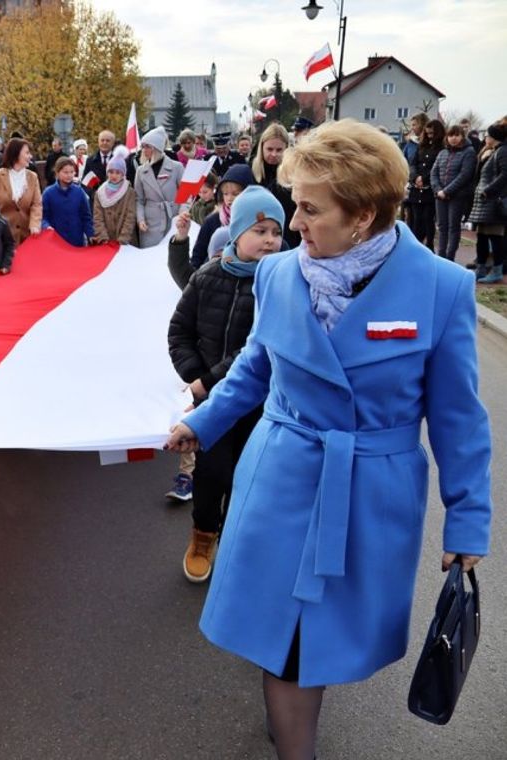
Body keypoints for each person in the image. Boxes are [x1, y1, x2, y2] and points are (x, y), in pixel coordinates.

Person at [165, 119, 492, 760]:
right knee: (284, 646)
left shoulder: (441, 288)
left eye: (310, 209)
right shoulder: (278, 275)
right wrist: (199, 422)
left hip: (371, 492)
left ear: (364, 215)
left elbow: (458, 417)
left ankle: (294, 710)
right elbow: (254, 369)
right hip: (281, 477)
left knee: (322, 640)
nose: (293, 225)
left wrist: (468, 522)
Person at [167, 186, 284, 583]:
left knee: (249, 475)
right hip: (212, 404)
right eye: (261, 230)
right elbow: (179, 331)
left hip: (259, 404)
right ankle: (203, 536)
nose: (270, 240)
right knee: (211, 473)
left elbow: (261, 348)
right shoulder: (207, 276)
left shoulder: (281, 284)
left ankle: (237, 542)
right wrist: (194, 376)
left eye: (276, 232)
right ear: (236, 234)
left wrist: (209, 380)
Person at [188, 164, 254, 270]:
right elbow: (198, 256)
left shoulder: (258, 220)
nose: (229, 198)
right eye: (225, 193)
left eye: (235, 194)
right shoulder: (212, 221)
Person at [430, 124, 477, 261]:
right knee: (442, 226)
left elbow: (465, 175)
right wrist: (438, 189)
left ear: (462, 136)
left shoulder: (469, 152)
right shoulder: (442, 152)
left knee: (453, 227)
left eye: (457, 135)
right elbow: (434, 172)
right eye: (451, 135)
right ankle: (441, 256)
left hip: (457, 196)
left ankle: (450, 257)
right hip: (440, 196)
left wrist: (447, 190)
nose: (453, 138)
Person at [469, 121, 507, 283]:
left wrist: (488, 190)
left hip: (492, 201)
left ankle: (497, 270)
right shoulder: (492, 151)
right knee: (482, 236)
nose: (485, 138)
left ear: (494, 137)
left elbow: (505, 175)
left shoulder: (503, 152)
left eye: (488, 135)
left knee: (495, 237)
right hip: (483, 202)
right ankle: (481, 268)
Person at [251, 122, 300, 249]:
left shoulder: (295, 173)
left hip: (288, 234)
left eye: (279, 150)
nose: (274, 154)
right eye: (269, 149)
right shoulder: (251, 170)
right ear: (262, 148)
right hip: (259, 233)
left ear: (287, 149)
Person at [135, 127, 184, 247]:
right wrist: (140, 219)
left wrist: (183, 214)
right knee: (150, 258)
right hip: (150, 222)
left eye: (147, 146)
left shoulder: (176, 167)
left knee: (172, 257)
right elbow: (139, 200)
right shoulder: (141, 171)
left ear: (156, 148)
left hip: (173, 218)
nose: (143, 150)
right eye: (143, 146)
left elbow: (185, 195)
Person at [0, 137, 43, 245]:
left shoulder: (32, 177)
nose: (30, 156)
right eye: (27, 153)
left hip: (27, 237)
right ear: (16, 154)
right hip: (2, 238)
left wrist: (34, 224)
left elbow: (36, 204)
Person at [407, 118, 445, 248]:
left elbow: (437, 167)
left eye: (432, 134)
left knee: (428, 219)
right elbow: (413, 164)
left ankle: (429, 245)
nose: (430, 136)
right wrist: (415, 177)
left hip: (429, 188)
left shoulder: (441, 149)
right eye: (428, 133)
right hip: (416, 188)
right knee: (416, 219)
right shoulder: (421, 147)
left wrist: (424, 178)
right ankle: (416, 246)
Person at [41, 156, 93, 247]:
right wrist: (46, 226)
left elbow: (86, 217)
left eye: (72, 172)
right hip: (56, 242)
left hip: (77, 241)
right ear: (57, 173)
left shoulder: (79, 192)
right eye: (65, 172)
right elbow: (43, 216)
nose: (69, 175)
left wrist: (90, 234)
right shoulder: (48, 193)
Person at [92, 154, 138, 246]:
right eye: (111, 172)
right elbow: (98, 217)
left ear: (123, 174)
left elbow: (130, 217)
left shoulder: (129, 191)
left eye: (118, 172)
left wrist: (123, 239)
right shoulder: (100, 192)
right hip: (106, 241)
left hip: (126, 241)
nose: (114, 175)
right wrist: (103, 237)